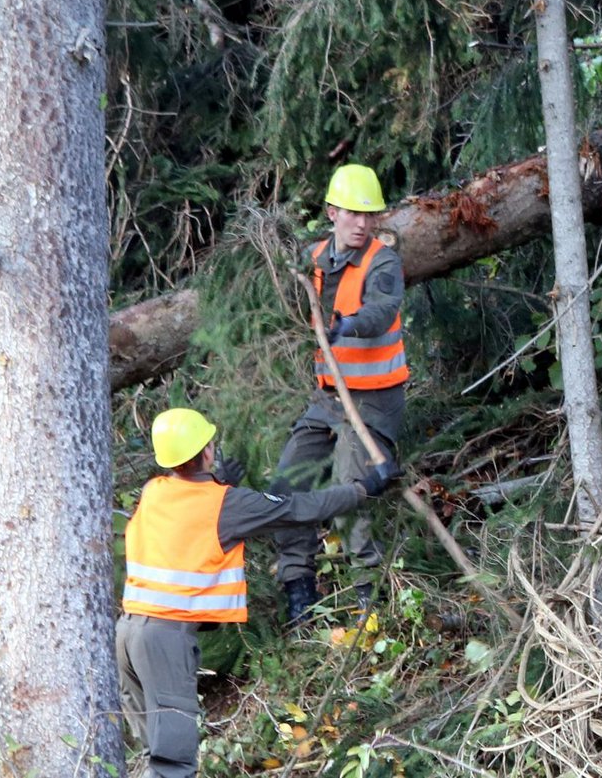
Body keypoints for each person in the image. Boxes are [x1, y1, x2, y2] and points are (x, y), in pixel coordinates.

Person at [117, 407, 393, 778]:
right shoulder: (226, 504)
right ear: (208, 452)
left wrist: (215, 482)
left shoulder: (154, 491)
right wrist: (364, 487)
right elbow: (300, 507)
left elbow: (186, 517)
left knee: (155, 752)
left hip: (127, 637)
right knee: (173, 764)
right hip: (165, 641)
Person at [268, 163, 407, 626]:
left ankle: (370, 595)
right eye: (353, 214)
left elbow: (383, 310)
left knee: (349, 488)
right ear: (332, 212)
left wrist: (345, 325)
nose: (362, 224)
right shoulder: (312, 261)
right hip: (327, 399)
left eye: (370, 215)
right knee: (288, 482)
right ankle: (299, 589)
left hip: (373, 402)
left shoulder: (382, 261)